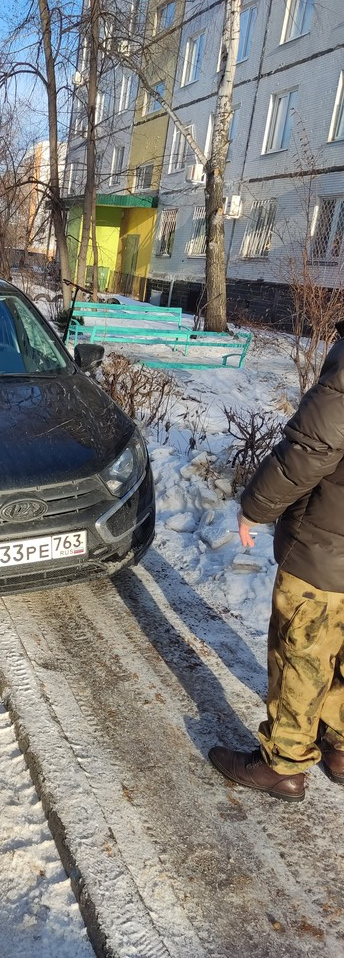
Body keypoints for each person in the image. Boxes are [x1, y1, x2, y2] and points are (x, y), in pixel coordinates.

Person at [209, 323, 344, 803]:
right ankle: (340, 747)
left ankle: (284, 765)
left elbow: (310, 451)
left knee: (301, 658)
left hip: (326, 553)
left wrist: (255, 508)